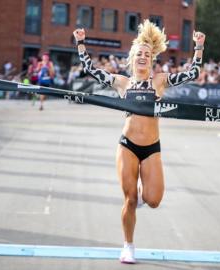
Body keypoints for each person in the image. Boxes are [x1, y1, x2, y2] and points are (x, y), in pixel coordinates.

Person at [73, 20, 205, 264]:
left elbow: (193, 73)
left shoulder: (160, 81)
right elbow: (91, 69)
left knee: (153, 200)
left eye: (147, 54)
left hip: (152, 148)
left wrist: (198, 47)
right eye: (139, 54)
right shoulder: (123, 83)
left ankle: (143, 196)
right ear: (132, 58)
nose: (143, 57)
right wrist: (81, 42)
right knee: (130, 199)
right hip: (127, 147)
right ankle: (128, 245)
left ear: (152, 59)